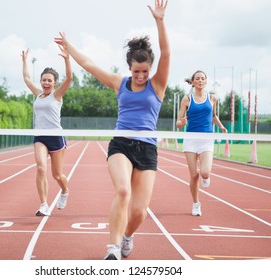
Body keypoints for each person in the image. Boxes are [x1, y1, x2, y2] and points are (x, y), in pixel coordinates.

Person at [54, 0, 169, 260]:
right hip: (121, 145)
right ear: (129, 68)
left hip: (148, 149)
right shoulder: (120, 83)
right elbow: (90, 65)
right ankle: (113, 248)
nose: (141, 76)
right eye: (136, 71)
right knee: (123, 192)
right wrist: (68, 46)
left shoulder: (158, 85)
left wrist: (160, 22)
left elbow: (167, 53)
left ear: (150, 69)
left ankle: (127, 237)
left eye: (145, 71)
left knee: (139, 212)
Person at [21, 47, 72, 216]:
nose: (46, 83)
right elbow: (27, 78)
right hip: (40, 137)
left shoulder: (57, 95)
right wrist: (24, 61)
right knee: (41, 168)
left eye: (49, 80)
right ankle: (44, 204)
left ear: (54, 82)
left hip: (56, 138)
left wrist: (67, 59)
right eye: (44, 80)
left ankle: (64, 190)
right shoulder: (38, 94)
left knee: (57, 175)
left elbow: (69, 78)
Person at [176, 70, 227, 216]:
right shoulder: (187, 99)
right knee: (194, 176)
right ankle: (196, 203)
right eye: (197, 78)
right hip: (191, 140)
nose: (200, 80)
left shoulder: (212, 98)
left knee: (204, 173)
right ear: (192, 81)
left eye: (202, 78)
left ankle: (206, 176)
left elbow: (214, 116)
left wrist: (221, 126)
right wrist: (182, 122)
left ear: (206, 81)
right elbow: (178, 122)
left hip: (206, 139)